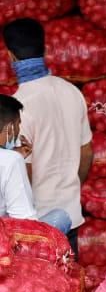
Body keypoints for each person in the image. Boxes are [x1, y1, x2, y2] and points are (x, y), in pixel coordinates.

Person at [3, 17, 93, 254]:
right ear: (44, 49)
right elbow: (86, 152)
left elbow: (23, 170)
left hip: (38, 226)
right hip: (71, 216)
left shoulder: (18, 107)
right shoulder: (72, 92)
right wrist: (70, 187)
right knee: (70, 275)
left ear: (11, 57)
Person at [0, 94, 71, 233]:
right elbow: (24, 222)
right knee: (60, 217)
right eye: (18, 124)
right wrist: (16, 160)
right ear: (10, 127)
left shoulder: (10, 159)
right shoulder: (11, 160)